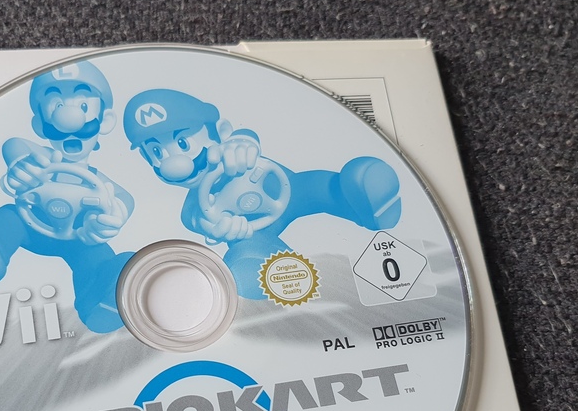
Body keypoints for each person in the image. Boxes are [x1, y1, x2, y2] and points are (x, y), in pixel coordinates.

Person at [122, 88, 402, 298]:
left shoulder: (235, 145)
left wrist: (241, 145)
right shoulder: (195, 206)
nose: (173, 164)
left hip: (291, 190)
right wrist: (221, 228)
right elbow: (196, 219)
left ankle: (365, 197)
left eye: (183, 143)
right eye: (156, 152)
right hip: (255, 230)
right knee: (248, 252)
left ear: (221, 132)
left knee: (324, 188)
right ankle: (274, 270)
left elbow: (246, 136)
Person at [0, 61, 133, 333]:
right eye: (56, 106)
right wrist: (21, 167)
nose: (68, 117)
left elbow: (124, 200)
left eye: (83, 106)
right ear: (39, 124)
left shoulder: (102, 183)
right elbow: (15, 147)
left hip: (80, 241)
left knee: (98, 256)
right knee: (8, 217)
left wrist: (113, 217)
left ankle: (103, 297)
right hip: (28, 227)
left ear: (104, 121)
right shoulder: (37, 157)